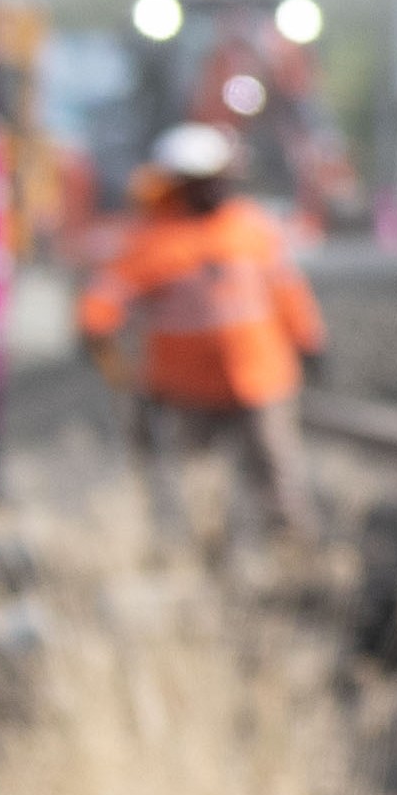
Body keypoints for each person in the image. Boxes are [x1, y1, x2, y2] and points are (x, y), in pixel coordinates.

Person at [81, 122, 327, 549]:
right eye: (200, 181)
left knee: (275, 466)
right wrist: (98, 333)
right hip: (187, 389)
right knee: (199, 477)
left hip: (259, 378)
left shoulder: (250, 227)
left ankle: (291, 548)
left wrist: (310, 339)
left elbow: (287, 290)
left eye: (218, 179)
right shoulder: (154, 240)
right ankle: (206, 551)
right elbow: (105, 297)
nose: (213, 189)